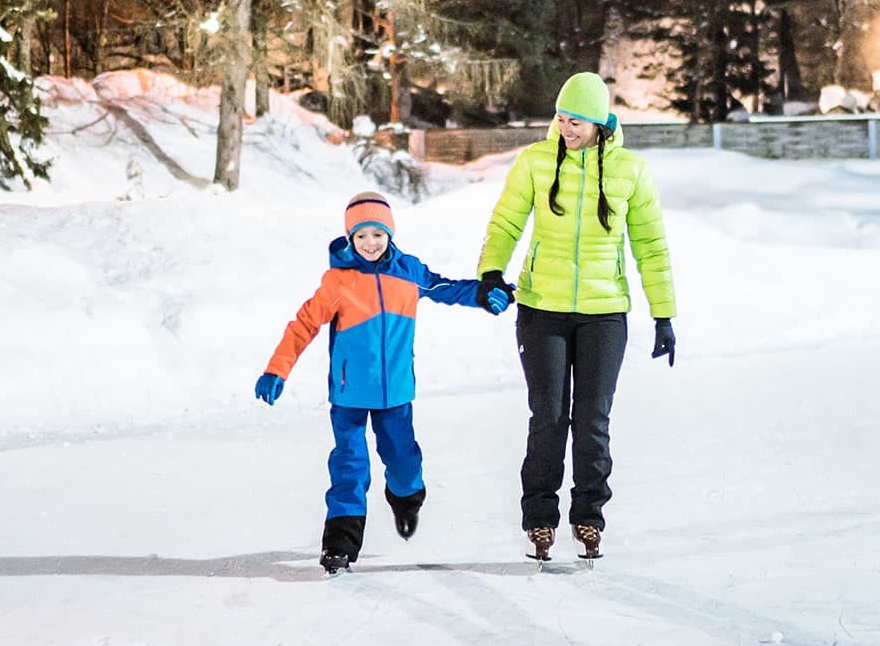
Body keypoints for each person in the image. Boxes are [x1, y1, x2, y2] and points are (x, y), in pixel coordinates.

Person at [476, 72, 676, 561]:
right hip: (541, 308)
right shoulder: (535, 162)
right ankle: (540, 520)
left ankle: (588, 517)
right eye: (561, 119)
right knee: (548, 416)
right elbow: (506, 220)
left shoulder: (630, 170)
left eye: (577, 122)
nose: (567, 129)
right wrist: (490, 271)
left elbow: (650, 245)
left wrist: (663, 314)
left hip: (605, 313)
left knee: (592, 420)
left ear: (601, 122)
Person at [256, 191, 510, 573]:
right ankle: (339, 544)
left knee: (403, 460)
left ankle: (407, 500)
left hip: (396, 394)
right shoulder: (338, 282)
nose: (370, 243)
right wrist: (277, 369)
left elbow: (446, 289)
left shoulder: (408, 272)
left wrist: (483, 294)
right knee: (349, 465)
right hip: (349, 395)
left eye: (377, 234)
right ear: (349, 239)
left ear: (389, 234)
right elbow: (303, 325)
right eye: (361, 236)